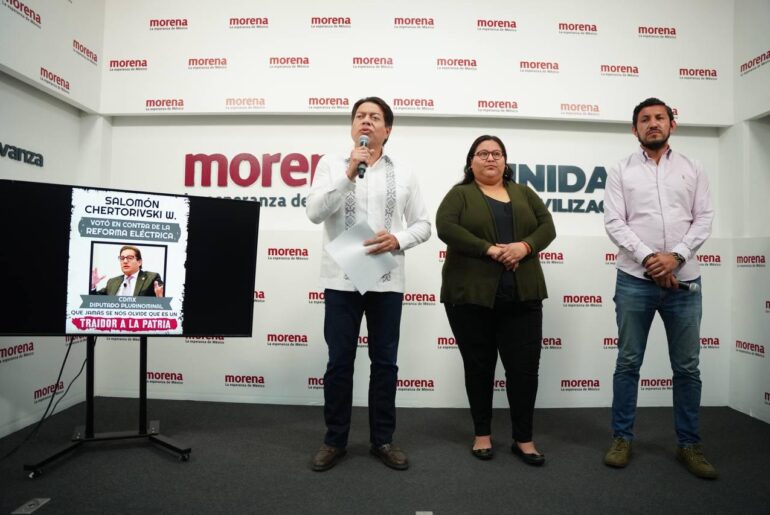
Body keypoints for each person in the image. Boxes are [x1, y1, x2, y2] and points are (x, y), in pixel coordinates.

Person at [306, 96, 431, 471]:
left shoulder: (405, 171)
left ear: (387, 130)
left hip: (386, 279)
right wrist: (348, 173)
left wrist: (398, 239)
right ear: (352, 126)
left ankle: (383, 440)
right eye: (360, 116)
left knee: (385, 364)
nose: (366, 121)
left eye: (375, 117)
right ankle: (334, 440)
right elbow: (314, 213)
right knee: (339, 363)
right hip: (341, 280)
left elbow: (423, 225)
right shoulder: (331, 165)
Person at [603, 97, 716, 479]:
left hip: (685, 281)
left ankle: (689, 444)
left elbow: (704, 219)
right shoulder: (620, 170)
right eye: (645, 119)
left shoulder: (693, 168)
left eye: (659, 118)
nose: (653, 123)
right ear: (634, 128)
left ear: (672, 124)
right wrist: (652, 260)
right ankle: (622, 438)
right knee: (628, 363)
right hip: (635, 280)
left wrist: (677, 257)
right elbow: (615, 222)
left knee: (687, 368)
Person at [436, 135, 555, 465]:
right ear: (471, 161)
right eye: (483, 153)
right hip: (470, 298)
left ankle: (524, 439)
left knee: (524, 371)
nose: (490, 158)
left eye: (497, 153)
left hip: (523, 297)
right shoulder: (459, 195)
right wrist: (489, 249)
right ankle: (482, 435)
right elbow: (445, 227)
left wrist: (523, 247)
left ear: (505, 161)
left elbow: (547, 226)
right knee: (479, 367)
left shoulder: (524, 193)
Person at [92, 245, 164, 297]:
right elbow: (94, 301)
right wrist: (92, 285)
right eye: (122, 258)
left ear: (139, 262)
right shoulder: (112, 282)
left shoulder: (152, 278)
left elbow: (162, 297)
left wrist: (160, 297)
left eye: (130, 258)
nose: (125, 261)